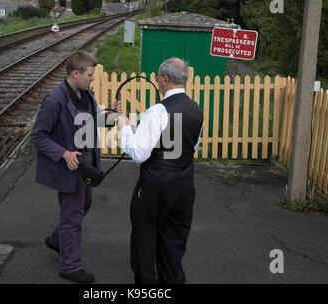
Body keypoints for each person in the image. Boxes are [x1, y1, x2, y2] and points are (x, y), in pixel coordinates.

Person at [31, 50, 120, 284]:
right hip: (69, 167)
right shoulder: (55, 99)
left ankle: (56, 239)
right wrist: (63, 153)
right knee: (72, 216)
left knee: (85, 204)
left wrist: (110, 116)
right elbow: (38, 136)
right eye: (90, 75)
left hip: (86, 166)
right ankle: (69, 266)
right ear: (75, 74)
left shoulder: (85, 94)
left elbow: (90, 118)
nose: (93, 79)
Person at [117, 58, 203, 284]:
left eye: (158, 78)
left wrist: (125, 127)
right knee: (174, 244)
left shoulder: (157, 111)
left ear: (165, 79)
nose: (157, 82)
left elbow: (138, 153)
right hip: (184, 185)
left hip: (155, 186)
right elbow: (191, 146)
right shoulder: (196, 109)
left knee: (145, 240)